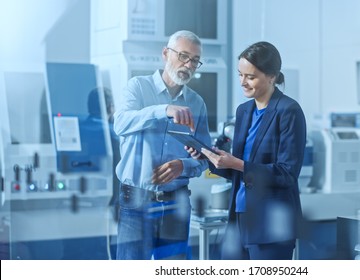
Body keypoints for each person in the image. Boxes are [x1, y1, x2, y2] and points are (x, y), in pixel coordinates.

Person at [187, 41, 306, 260]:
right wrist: (209, 158)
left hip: (272, 225)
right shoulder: (244, 111)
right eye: (240, 75)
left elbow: (287, 174)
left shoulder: (289, 111)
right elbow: (237, 170)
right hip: (239, 219)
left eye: (250, 77)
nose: (243, 82)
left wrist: (236, 164)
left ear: (272, 76)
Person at [113, 30, 211, 260]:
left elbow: (205, 155)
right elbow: (121, 124)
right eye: (183, 56)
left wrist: (183, 166)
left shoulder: (197, 103)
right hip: (136, 200)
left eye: (195, 61)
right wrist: (163, 110)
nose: (188, 64)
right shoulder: (137, 87)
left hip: (177, 203)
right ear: (166, 54)